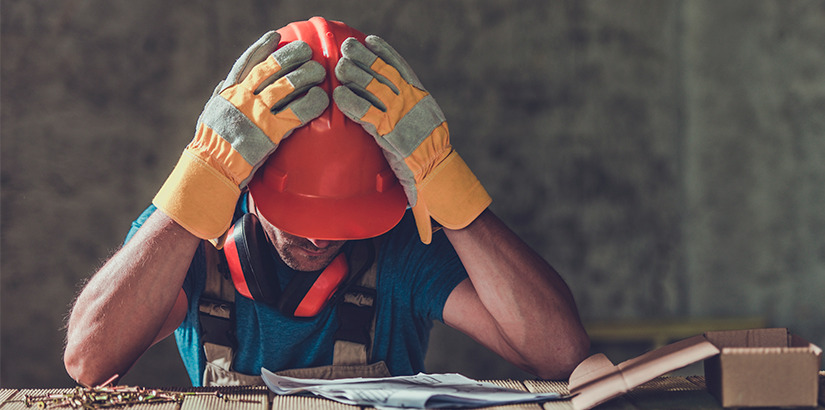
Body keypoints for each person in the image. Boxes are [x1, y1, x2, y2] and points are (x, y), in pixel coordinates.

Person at [63, 17, 589, 387]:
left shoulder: (404, 250)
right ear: (246, 176)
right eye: (300, 213)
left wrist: (443, 179)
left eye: (342, 217)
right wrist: (202, 173)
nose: (318, 236)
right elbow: (89, 360)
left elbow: (560, 354)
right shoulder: (187, 241)